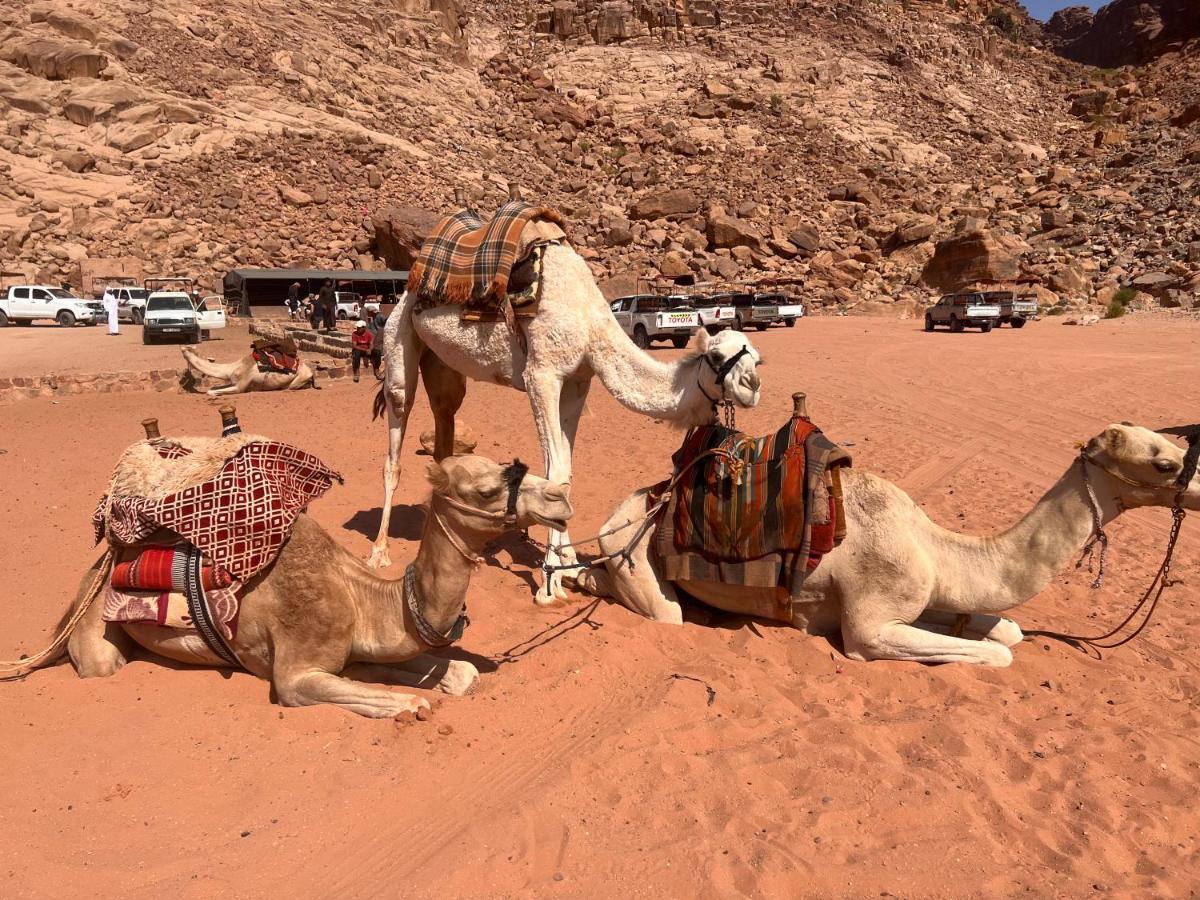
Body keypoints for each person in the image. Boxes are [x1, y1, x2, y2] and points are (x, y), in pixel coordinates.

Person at [365, 307, 387, 379]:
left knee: (377, 353)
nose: (367, 313)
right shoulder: (373, 318)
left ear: (372, 312)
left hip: (381, 337)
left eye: (368, 312)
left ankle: (377, 371)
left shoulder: (380, 316)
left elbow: (386, 321)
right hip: (376, 338)